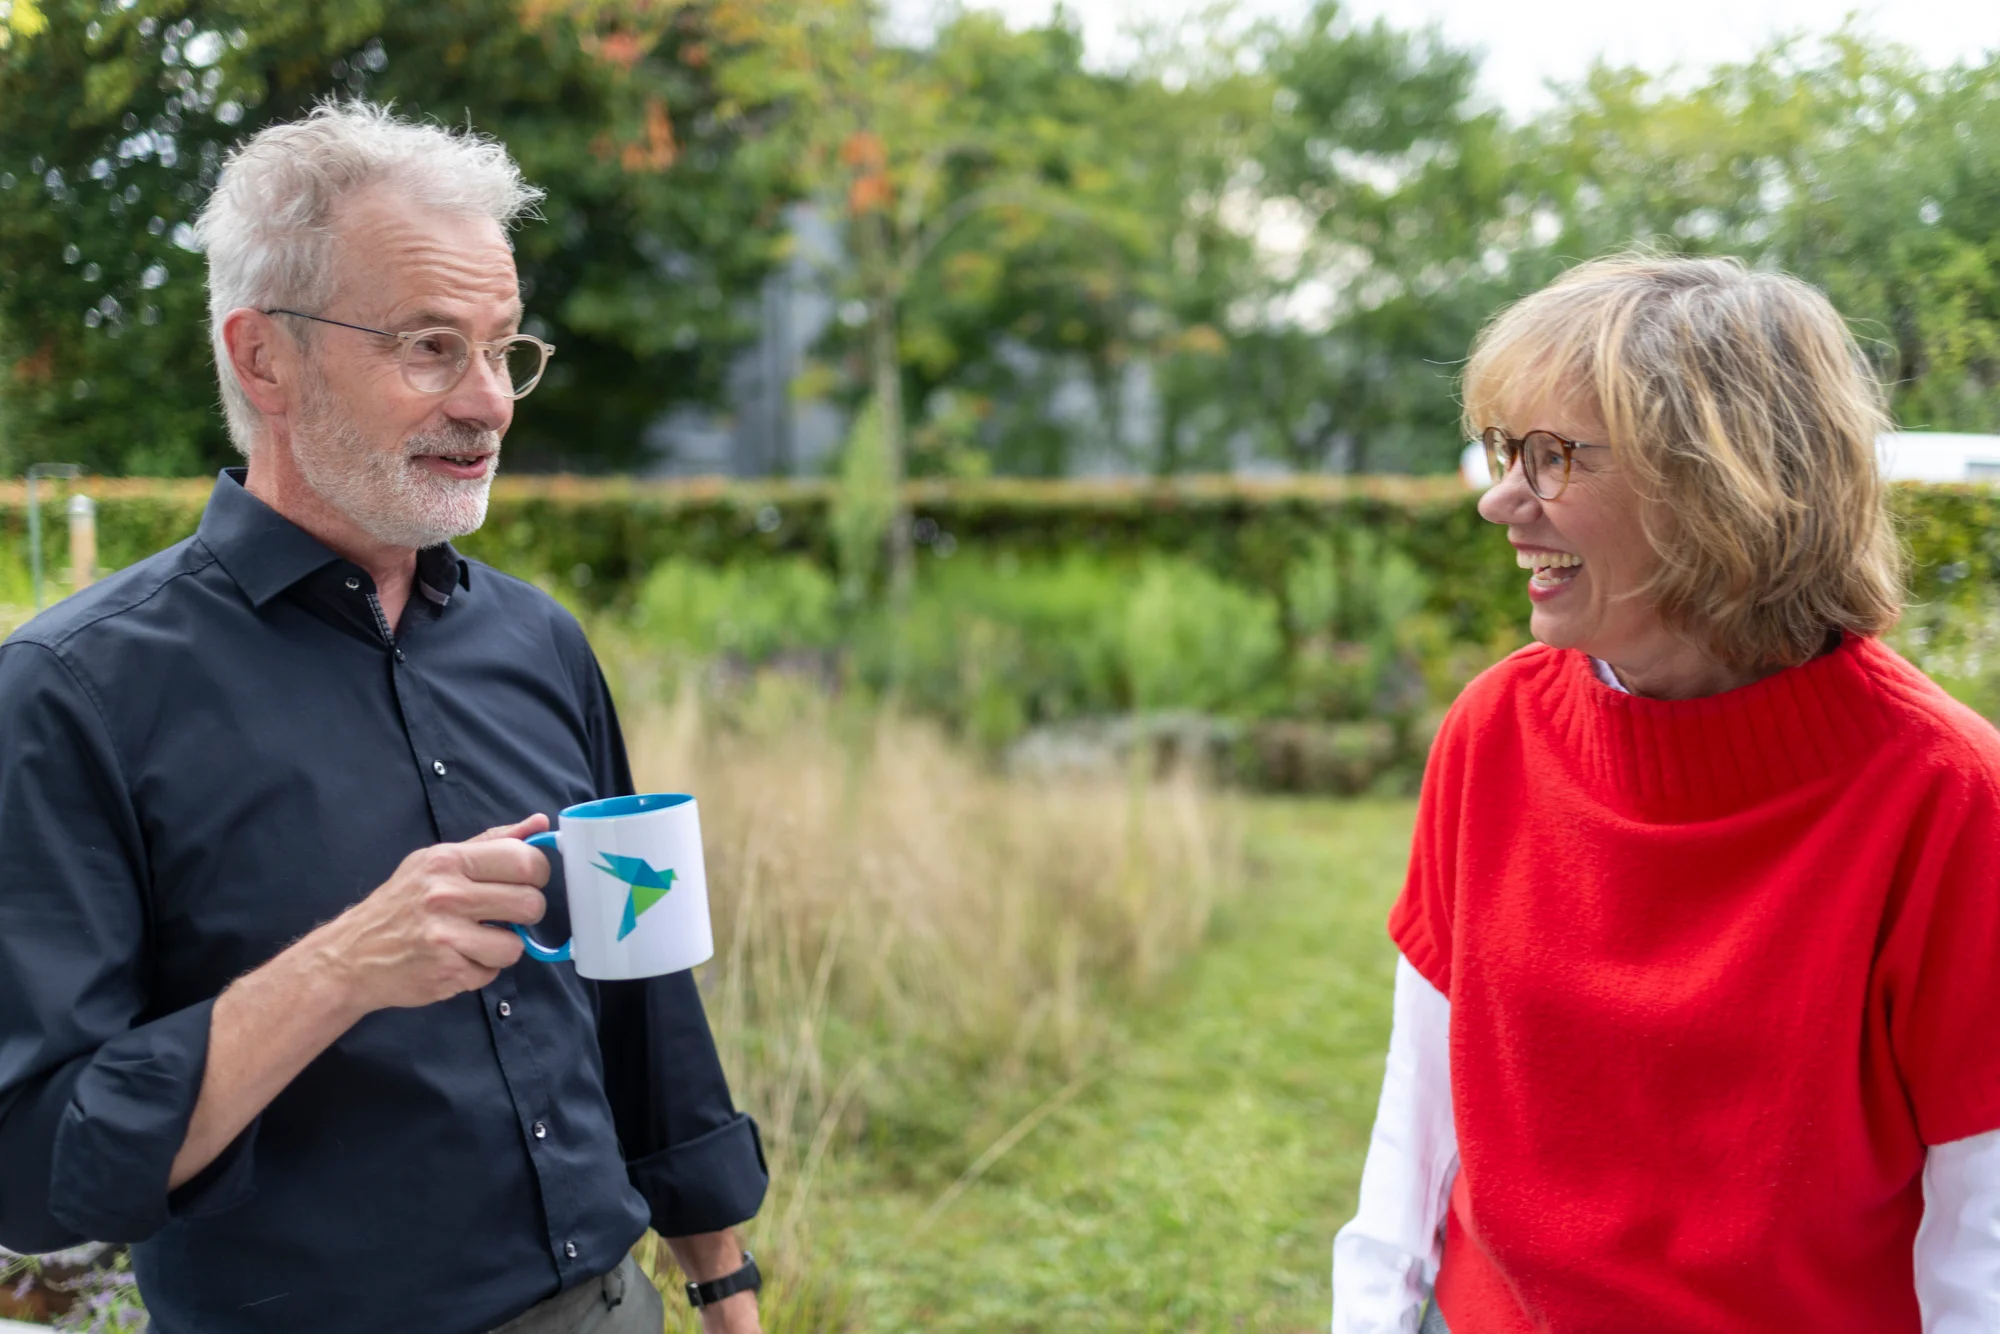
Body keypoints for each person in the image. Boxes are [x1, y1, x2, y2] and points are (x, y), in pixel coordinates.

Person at [0, 103, 768, 1334]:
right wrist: (343, 967)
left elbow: (641, 990)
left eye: (503, 348)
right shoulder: (71, 691)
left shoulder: (540, 641)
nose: (490, 402)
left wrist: (722, 1282)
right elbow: (37, 1161)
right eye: (430, 346)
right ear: (264, 359)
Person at [1331, 254, 2000, 1332]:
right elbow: (1418, 1113)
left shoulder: (1946, 796)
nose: (1500, 501)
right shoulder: (1492, 729)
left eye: (1551, 458)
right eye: (1504, 451)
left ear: (1720, 486)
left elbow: (1982, 1230)